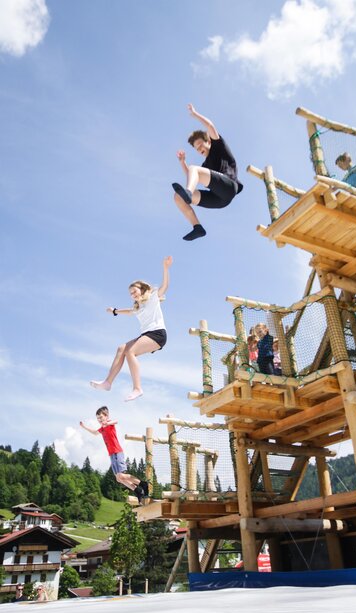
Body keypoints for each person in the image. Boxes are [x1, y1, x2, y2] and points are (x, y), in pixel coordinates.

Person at [90, 256, 172, 401]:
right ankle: (108, 382)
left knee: (130, 351)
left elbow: (164, 286)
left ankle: (137, 388)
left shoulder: (153, 297)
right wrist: (115, 311)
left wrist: (165, 268)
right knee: (121, 348)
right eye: (131, 294)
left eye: (134, 292)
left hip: (158, 334)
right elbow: (129, 311)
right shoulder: (137, 307)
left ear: (142, 289)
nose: (133, 295)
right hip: (146, 334)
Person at [172, 103, 243, 241]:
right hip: (219, 200)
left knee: (194, 172)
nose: (199, 149)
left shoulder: (218, 146)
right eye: (196, 149)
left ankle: (188, 193)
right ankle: (197, 227)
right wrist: (182, 162)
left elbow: (210, 126)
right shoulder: (205, 166)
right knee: (178, 197)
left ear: (208, 141)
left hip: (229, 187)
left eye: (200, 145)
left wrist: (195, 114)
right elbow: (191, 176)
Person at [80, 406, 148, 503]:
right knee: (119, 479)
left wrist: (107, 423)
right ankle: (137, 491)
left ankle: (142, 484)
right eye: (98, 418)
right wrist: (84, 427)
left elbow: (116, 421)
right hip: (111, 455)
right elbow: (95, 433)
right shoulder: (102, 429)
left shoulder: (109, 424)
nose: (99, 420)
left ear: (106, 416)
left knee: (121, 475)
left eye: (101, 417)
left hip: (117, 452)